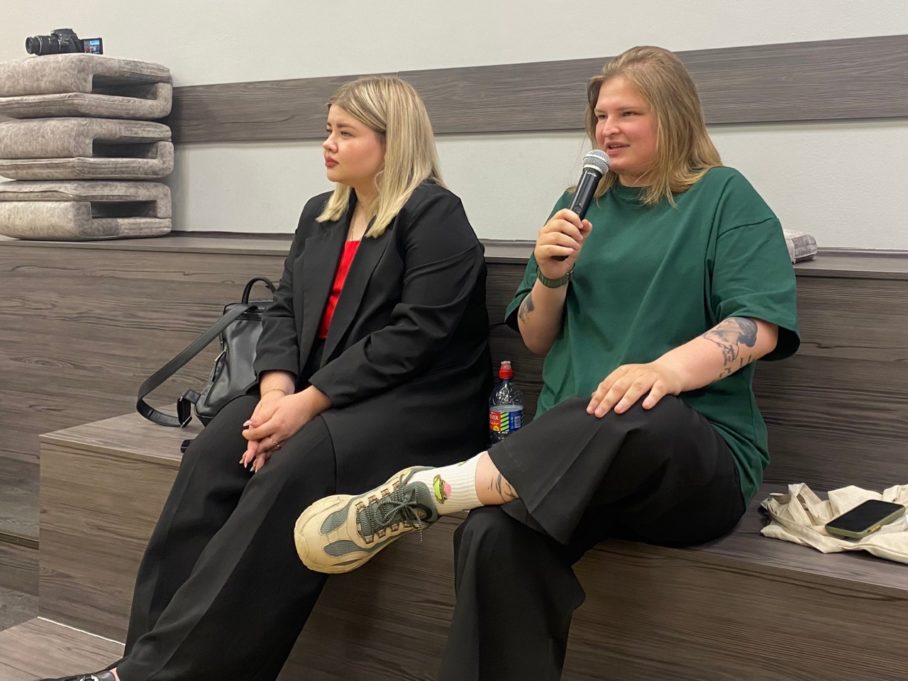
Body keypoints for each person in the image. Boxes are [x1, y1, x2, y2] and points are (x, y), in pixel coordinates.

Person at [295, 46, 800, 680]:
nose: (607, 129)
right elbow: (536, 338)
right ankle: (446, 494)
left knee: (633, 408)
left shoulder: (724, 196)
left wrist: (664, 372)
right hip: (566, 464)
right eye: (600, 116)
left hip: (691, 462)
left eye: (628, 114)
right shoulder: (577, 203)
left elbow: (757, 327)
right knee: (492, 537)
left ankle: (434, 490)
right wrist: (552, 277)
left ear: (673, 116)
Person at [40, 75, 491, 681]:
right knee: (215, 453)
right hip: (315, 392)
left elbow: (416, 336)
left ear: (393, 142)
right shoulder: (322, 213)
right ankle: (137, 660)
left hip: (412, 403)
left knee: (294, 465)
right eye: (327, 130)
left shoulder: (436, 215)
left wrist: (307, 403)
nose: (328, 144)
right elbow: (282, 308)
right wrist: (276, 390)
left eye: (345, 132)